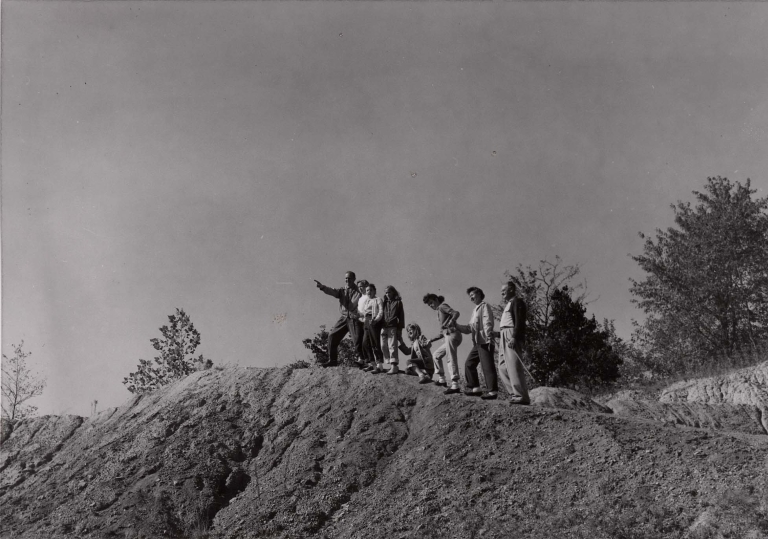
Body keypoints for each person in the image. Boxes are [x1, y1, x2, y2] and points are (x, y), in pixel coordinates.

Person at [455, 287, 499, 400]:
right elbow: (470, 328)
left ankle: (492, 392)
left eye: (472, 295)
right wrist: (456, 325)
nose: (471, 298)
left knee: (487, 366)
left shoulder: (484, 306)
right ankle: (475, 388)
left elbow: (487, 321)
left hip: (485, 340)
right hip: (478, 342)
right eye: (469, 296)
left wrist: (489, 333)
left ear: (479, 294)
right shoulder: (475, 310)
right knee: (469, 363)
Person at [492, 280, 530, 404]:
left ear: (512, 289)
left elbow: (519, 322)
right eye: (501, 290)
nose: (502, 292)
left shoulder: (517, 302)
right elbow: (506, 324)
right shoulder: (508, 304)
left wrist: (514, 337)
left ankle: (521, 396)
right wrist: (497, 334)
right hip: (504, 334)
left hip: (511, 335)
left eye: (504, 289)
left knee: (513, 365)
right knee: (502, 367)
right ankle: (514, 394)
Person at [314, 271, 363, 367]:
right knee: (332, 336)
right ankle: (332, 360)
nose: (347, 280)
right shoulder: (342, 290)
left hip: (354, 317)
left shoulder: (359, 291)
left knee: (357, 339)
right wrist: (322, 287)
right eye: (346, 278)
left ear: (354, 279)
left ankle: (361, 360)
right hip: (344, 317)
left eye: (349, 278)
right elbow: (332, 291)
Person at [423, 293, 462, 394]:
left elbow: (456, 313)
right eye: (429, 305)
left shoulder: (442, 306)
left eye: (431, 302)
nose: (431, 305)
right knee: (436, 355)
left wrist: (452, 321)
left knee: (450, 358)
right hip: (448, 335)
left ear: (436, 299)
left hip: (452, 334)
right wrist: (430, 340)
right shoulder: (439, 311)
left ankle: (455, 385)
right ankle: (442, 380)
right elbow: (441, 333)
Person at [380, 285, 405, 375]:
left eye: (389, 292)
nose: (387, 294)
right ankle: (388, 360)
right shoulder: (384, 303)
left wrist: (400, 330)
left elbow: (401, 317)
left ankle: (394, 366)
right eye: (386, 292)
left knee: (392, 346)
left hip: (393, 326)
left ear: (393, 292)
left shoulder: (398, 302)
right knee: (383, 346)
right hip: (383, 327)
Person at [361, 283, 385, 372]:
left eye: (371, 290)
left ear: (375, 291)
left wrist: (376, 320)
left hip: (374, 320)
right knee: (365, 343)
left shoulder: (378, 299)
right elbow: (364, 313)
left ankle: (379, 365)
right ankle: (372, 363)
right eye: (367, 290)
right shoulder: (366, 301)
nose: (369, 292)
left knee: (375, 342)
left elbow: (381, 311)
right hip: (366, 321)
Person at [354, 280, 371, 368]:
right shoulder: (360, 298)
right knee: (357, 340)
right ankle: (361, 358)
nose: (360, 288)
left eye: (362, 286)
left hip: (367, 320)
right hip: (359, 320)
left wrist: (363, 314)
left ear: (366, 286)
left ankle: (368, 360)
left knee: (366, 341)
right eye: (359, 287)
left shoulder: (369, 297)